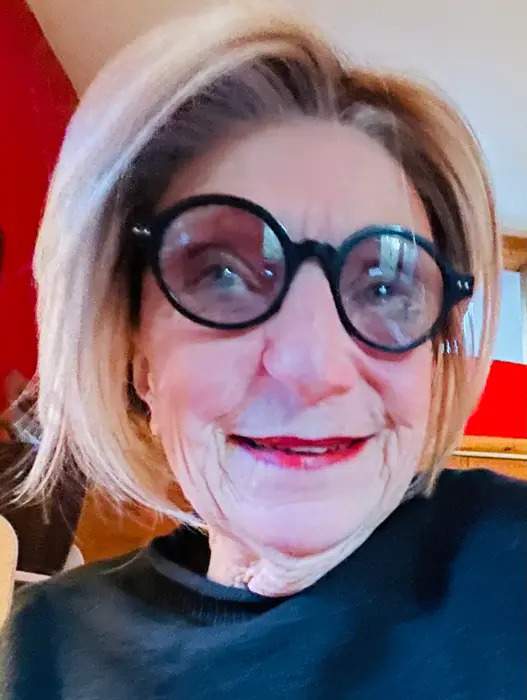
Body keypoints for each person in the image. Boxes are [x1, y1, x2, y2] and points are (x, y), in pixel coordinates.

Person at [2, 3, 525, 698]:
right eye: (222, 275)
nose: (315, 370)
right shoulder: (47, 647)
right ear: (134, 348)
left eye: (384, 286)